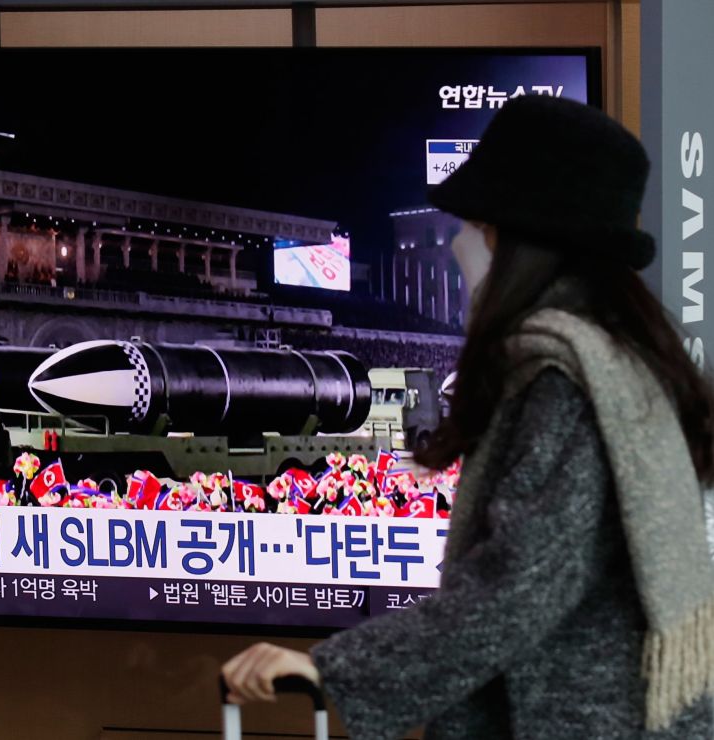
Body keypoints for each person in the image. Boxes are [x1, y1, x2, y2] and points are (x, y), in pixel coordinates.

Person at [221, 95, 714, 738]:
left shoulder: (568, 381)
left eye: (475, 227)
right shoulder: (619, 358)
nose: (455, 245)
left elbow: (519, 590)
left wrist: (339, 671)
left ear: (522, 243)